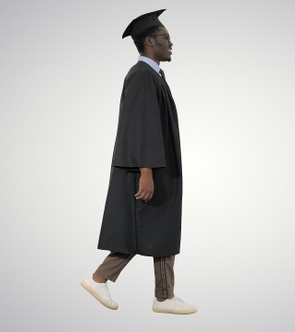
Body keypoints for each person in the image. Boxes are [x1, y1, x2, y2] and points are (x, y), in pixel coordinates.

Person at [80, 9, 197, 315]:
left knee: (160, 229)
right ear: (149, 41)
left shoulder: (153, 75)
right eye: (165, 38)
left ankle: (163, 295)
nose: (171, 43)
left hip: (160, 167)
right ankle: (100, 279)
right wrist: (146, 171)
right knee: (138, 229)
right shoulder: (143, 76)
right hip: (147, 169)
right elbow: (139, 124)